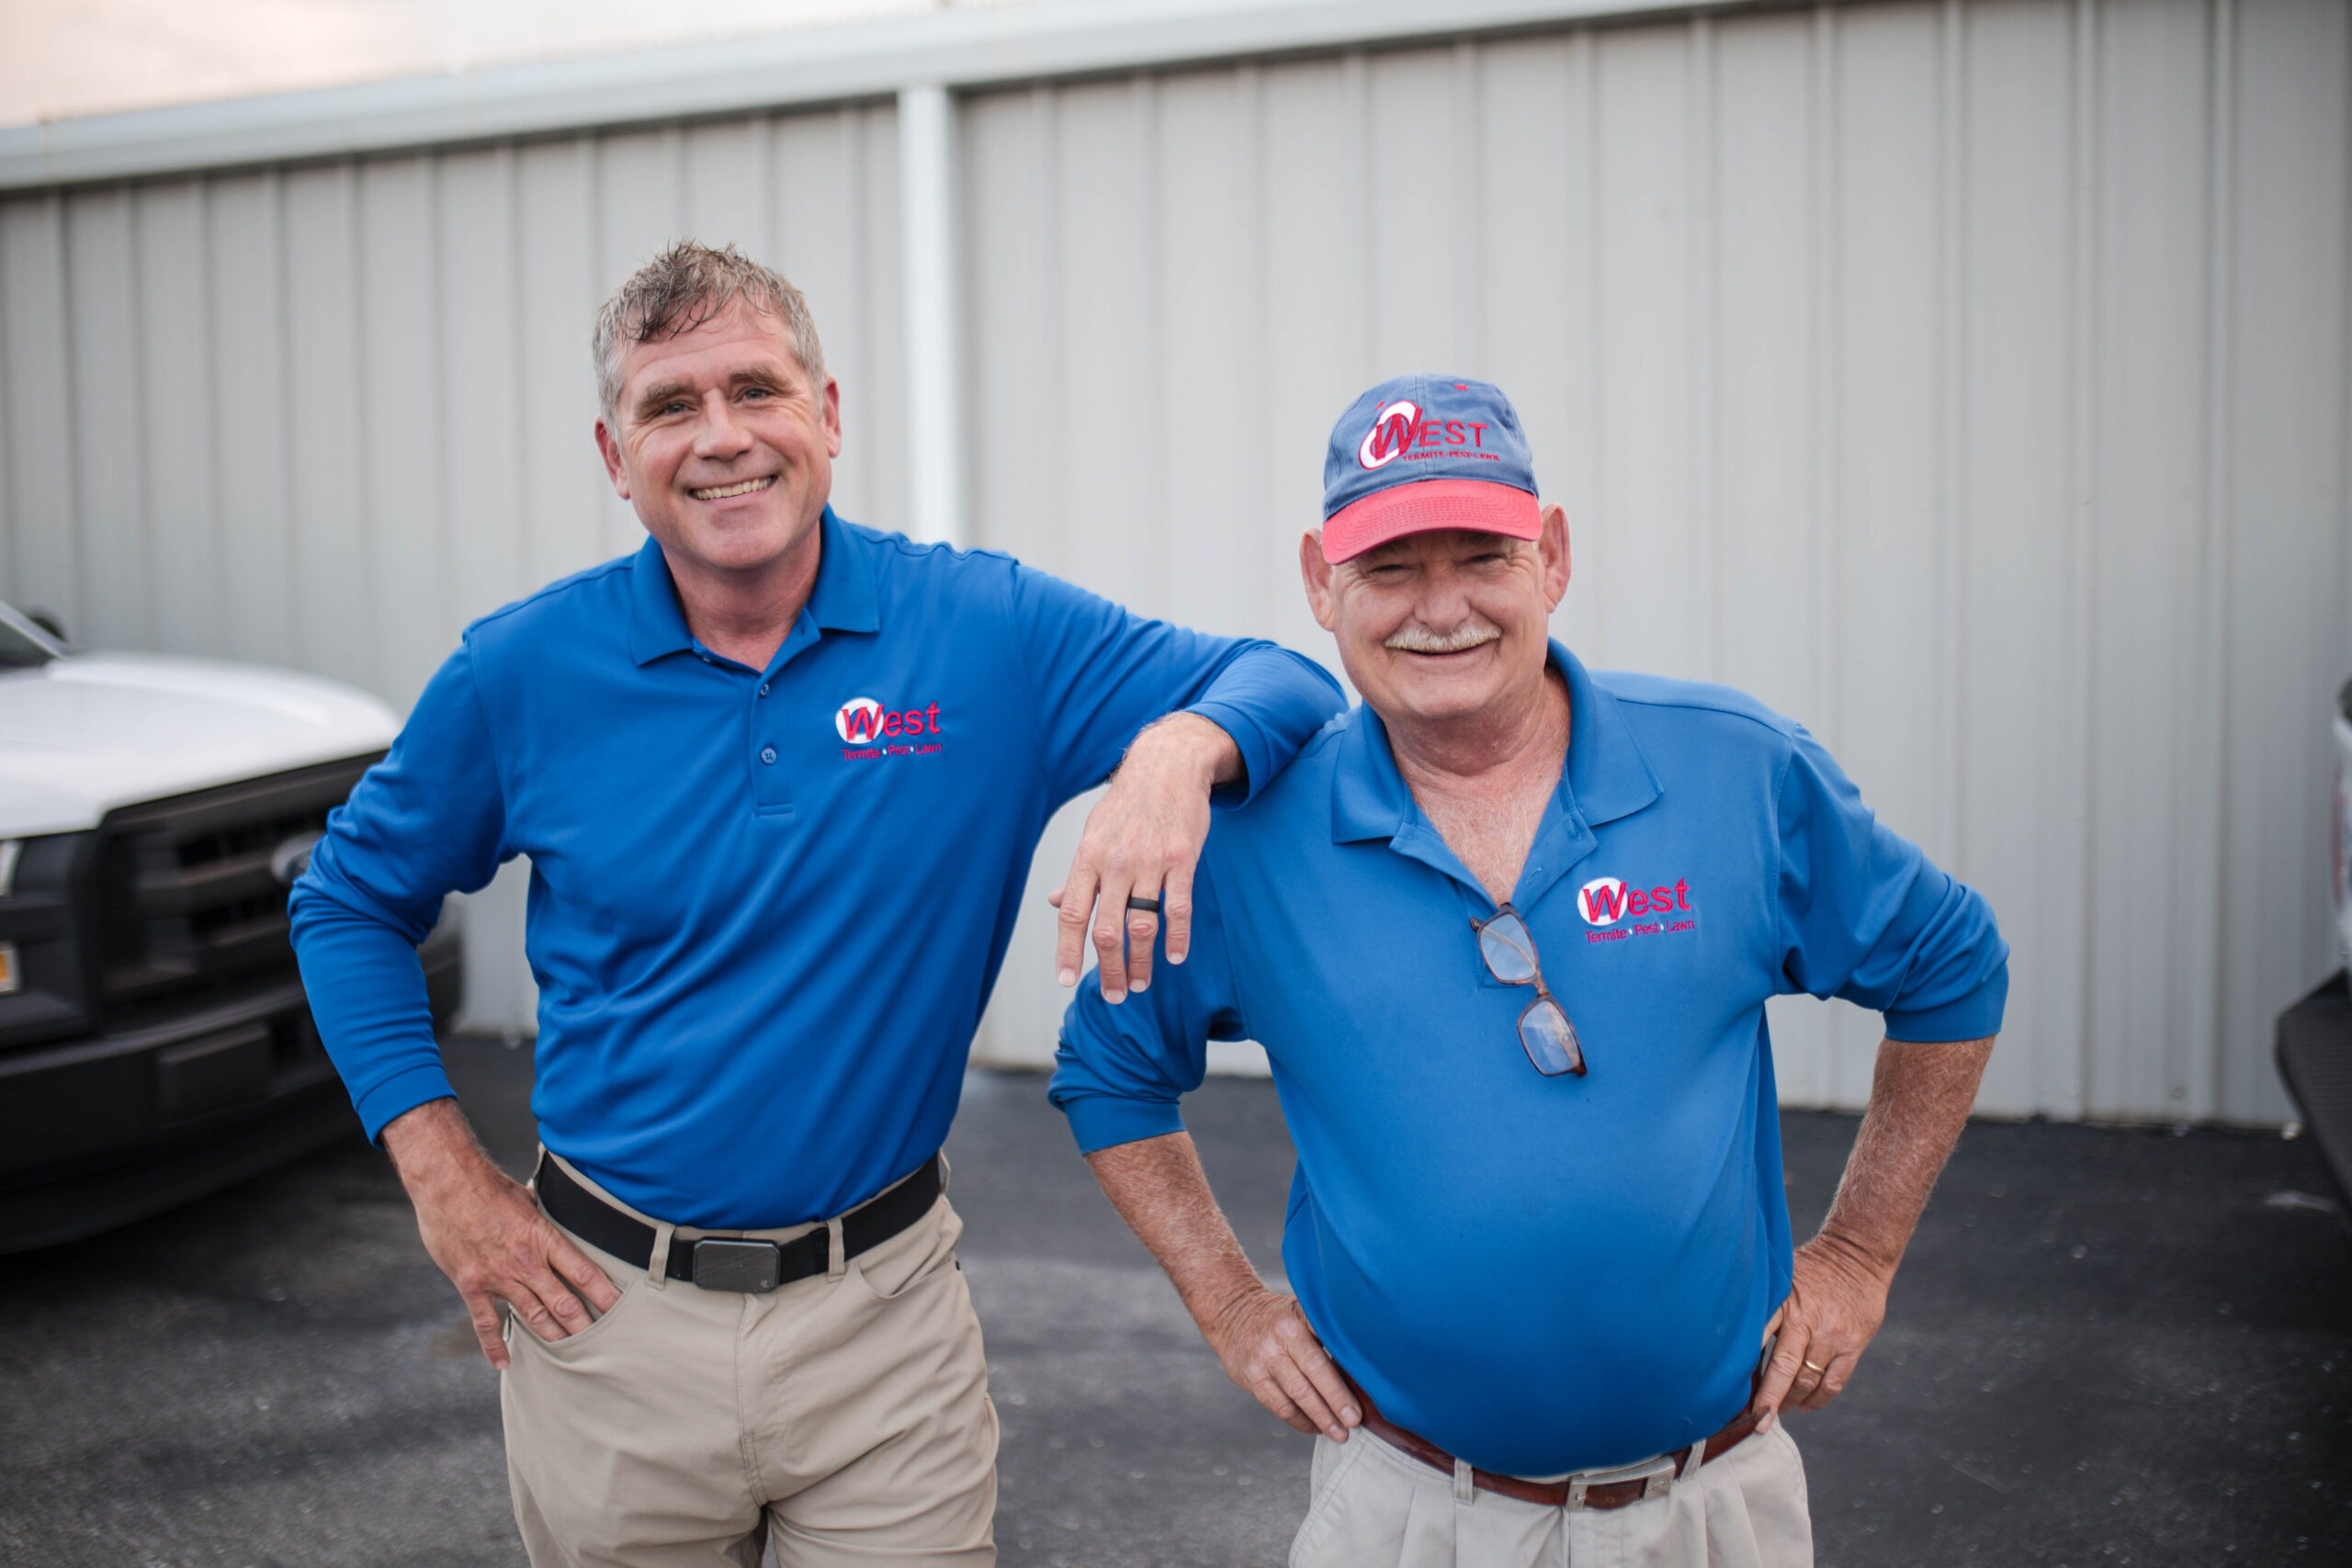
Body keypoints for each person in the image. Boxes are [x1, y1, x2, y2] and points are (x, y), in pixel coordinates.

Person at [288, 241, 1345, 1568]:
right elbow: (345, 902)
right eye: (671, 407)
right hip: (606, 1322)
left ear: (829, 415)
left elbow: (1288, 680)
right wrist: (441, 1176)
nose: (722, 439)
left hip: (884, 1326)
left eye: (757, 390)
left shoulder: (981, 633)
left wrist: (1173, 753)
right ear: (617, 458)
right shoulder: (521, 674)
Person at [1049, 375, 2008, 1567]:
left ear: (1551, 556)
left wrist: (1859, 1257)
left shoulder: (1735, 772)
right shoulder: (1252, 841)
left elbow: (1951, 964)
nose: (1438, 609)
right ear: (1319, 582)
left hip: (1708, 1509)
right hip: (1408, 1513)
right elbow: (1110, 1070)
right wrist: (1231, 1303)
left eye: (1481, 557)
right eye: (1391, 567)